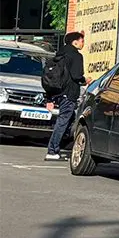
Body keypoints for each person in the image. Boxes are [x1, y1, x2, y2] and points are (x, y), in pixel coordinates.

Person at [42, 31, 83, 161]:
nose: (83, 43)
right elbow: (77, 76)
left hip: (57, 93)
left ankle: (61, 146)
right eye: (82, 40)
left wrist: (49, 98)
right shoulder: (76, 56)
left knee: (69, 120)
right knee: (63, 121)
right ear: (75, 42)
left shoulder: (59, 55)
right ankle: (52, 150)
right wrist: (85, 80)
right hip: (69, 93)